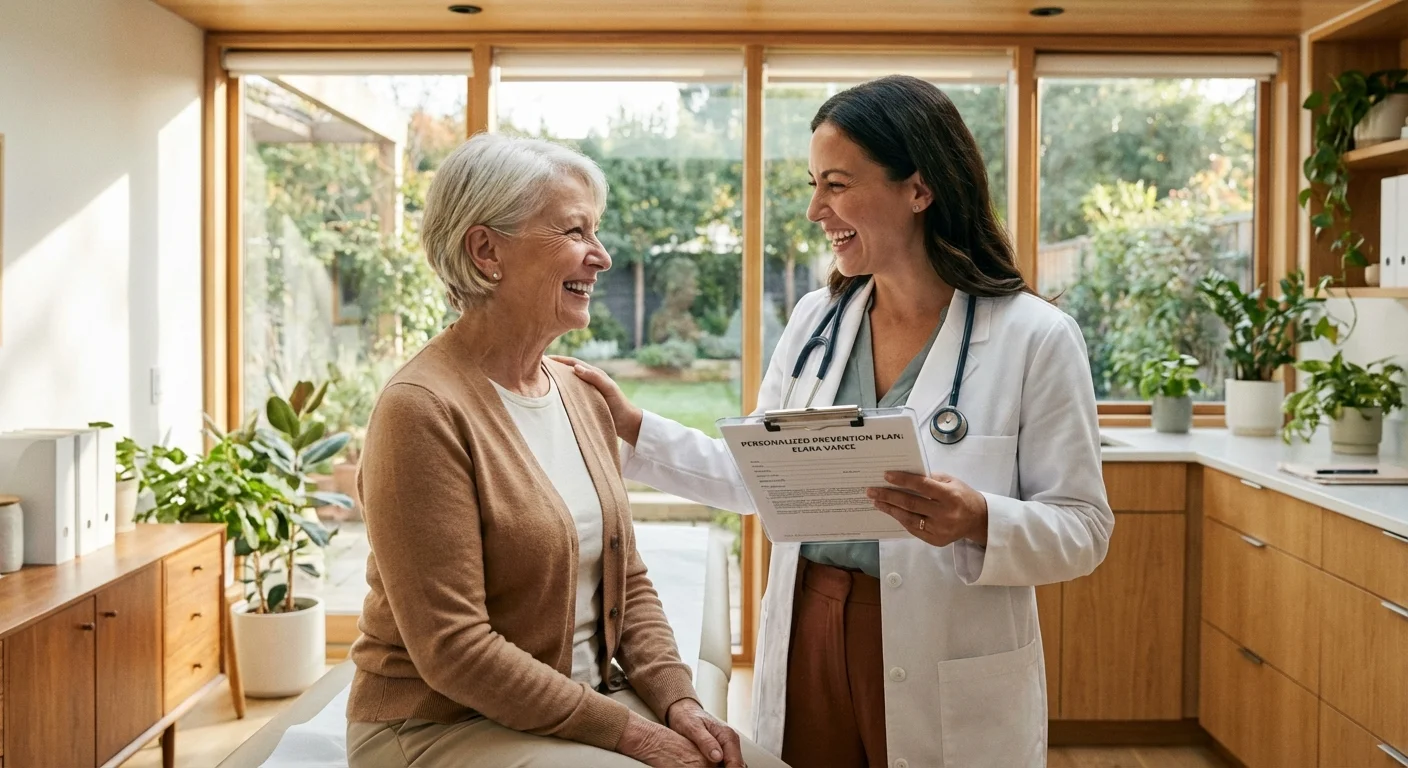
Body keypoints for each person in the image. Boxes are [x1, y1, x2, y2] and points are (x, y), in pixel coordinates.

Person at [562, 75, 1114, 768]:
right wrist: (633, 424)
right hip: (811, 626)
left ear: (920, 188)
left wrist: (980, 520)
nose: (816, 209)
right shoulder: (816, 323)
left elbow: (1085, 528)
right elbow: (755, 477)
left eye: (837, 184)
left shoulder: (1035, 337)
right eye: (815, 184)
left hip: (943, 640)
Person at [345, 133, 787, 768]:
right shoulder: (420, 408)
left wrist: (678, 703)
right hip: (441, 723)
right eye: (575, 232)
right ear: (485, 249)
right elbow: (455, 648)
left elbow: (628, 581)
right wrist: (635, 734)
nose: (601, 256)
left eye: (595, 232)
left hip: (579, 700)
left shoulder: (580, 393)